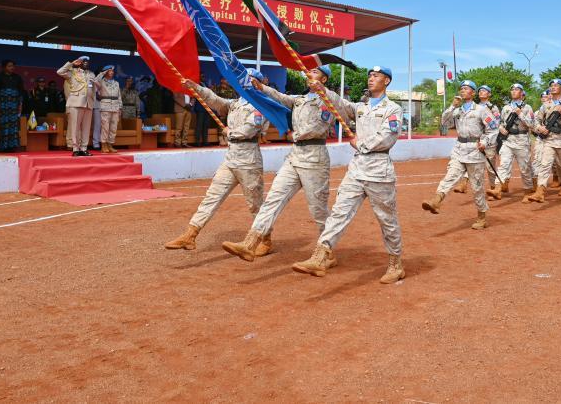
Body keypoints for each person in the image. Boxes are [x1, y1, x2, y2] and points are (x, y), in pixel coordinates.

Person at [292, 66, 405, 284]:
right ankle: (321, 254)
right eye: (370, 75)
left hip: (379, 170)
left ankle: (395, 263)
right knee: (339, 213)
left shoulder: (393, 109)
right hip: (356, 169)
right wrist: (322, 89)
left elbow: (388, 136)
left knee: (387, 220)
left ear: (387, 81)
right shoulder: (360, 107)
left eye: (377, 76)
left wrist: (360, 144)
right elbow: (340, 105)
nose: (371, 78)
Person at [222, 65, 338, 262]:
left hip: (314, 158)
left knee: (318, 210)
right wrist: (261, 88)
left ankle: (326, 253)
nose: (310, 74)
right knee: (273, 199)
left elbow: (320, 125)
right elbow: (282, 98)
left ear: (324, 79)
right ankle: (250, 242)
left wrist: (296, 134)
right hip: (294, 157)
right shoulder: (300, 100)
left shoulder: (329, 99)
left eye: (315, 72)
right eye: (309, 72)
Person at [164, 69, 272, 252]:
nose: (244, 82)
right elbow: (216, 101)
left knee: (255, 204)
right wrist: (196, 88)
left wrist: (230, 132)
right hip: (231, 159)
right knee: (211, 196)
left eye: (250, 80)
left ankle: (266, 240)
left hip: (249, 160)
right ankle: (190, 235)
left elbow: (251, 128)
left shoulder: (261, 105)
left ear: (258, 84)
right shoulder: (236, 104)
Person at [422, 80, 493, 229]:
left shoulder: (481, 110)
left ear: (473, 93)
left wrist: (485, 142)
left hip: (475, 150)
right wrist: (453, 105)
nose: (463, 90)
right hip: (459, 149)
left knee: (476, 186)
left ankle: (482, 216)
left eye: (466, 88)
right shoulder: (457, 110)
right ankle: (436, 200)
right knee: (450, 176)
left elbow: (492, 129)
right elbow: (444, 123)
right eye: (461, 88)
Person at [524, 78, 561, 205]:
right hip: (549, 139)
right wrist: (539, 127)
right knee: (545, 164)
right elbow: (536, 120)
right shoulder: (545, 105)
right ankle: (540, 192)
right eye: (551, 85)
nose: (553, 87)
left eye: (556, 85)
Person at [490, 83, 536, 198]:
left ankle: (527, 191)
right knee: (503, 165)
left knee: (525, 168)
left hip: (522, 141)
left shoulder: (527, 108)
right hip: (508, 140)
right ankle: (497, 189)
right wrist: (501, 128)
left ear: (521, 93)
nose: (514, 91)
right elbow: (499, 122)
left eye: (516, 89)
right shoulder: (506, 108)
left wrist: (520, 114)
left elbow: (531, 124)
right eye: (512, 90)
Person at [58, 56, 96, 157]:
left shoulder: (92, 74)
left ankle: (84, 148)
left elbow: (93, 89)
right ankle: (75, 148)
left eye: (88, 62)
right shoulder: (72, 72)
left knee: (86, 128)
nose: (86, 63)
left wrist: (93, 100)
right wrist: (71, 63)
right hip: (76, 102)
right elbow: (60, 72)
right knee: (75, 127)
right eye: (84, 61)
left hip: (88, 103)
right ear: (79, 62)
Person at [0, 59, 24, 152]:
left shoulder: (17, 77)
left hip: (14, 104)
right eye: (9, 66)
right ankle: (3, 146)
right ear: (4, 67)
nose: (12, 68)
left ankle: (12, 146)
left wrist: (20, 104)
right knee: (4, 124)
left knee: (13, 124)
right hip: (3, 104)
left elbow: (21, 92)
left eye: (13, 66)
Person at [96, 65, 122, 153]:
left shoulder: (116, 83)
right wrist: (102, 73)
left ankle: (110, 144)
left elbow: (119, 96)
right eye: (110, 71)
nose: (112, 72)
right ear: (106, 72)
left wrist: (120, 107)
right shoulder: (101, 82)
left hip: (115, 107)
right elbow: (95, 80)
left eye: (112, 71)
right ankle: (103, 145)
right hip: (105, 106)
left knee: (113, 128)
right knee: (105, 127)